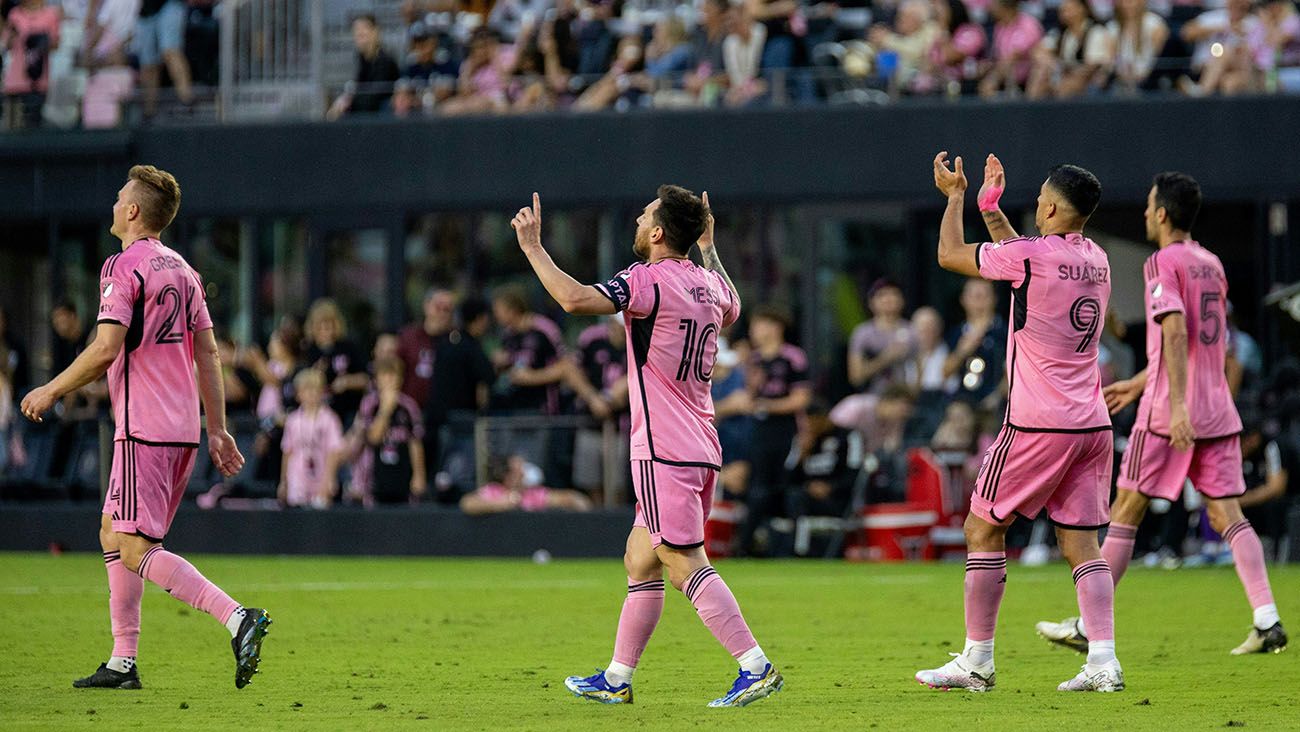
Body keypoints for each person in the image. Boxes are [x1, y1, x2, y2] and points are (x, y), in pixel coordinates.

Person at [510, 186, 782, 706]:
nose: (637, 218)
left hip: (664, 449)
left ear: (657, 234)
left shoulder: (645, 280)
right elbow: (734, 306)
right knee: (641, 559)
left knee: (681, 562)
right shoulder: (709, 284)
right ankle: (617, 678)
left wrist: (534, 249)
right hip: (701, 443)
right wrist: (709, 247)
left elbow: (573, 299)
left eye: (645, 215)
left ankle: (755, 665)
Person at [19, 165, 270, 691]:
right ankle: (122, 662)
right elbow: (209, 354)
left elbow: (106, 348)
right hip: (181, 430)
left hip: (142, 430)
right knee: (112, 529)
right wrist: (217, 428)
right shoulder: (183, 270)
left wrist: (50, 389)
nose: (113, 205)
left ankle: (236, 617)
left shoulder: (123, 265)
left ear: (133, 211)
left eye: (118, 199)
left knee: (134, 547)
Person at [1036, 171, 1288, 657]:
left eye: (1151, 206)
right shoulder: (1210, 263)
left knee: (1126, 510)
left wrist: (1173, 407)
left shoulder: (1161, 263)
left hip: (1173, 413)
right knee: (1227, 513)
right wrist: (1140, 381)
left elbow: (1173, 332)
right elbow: (1200, 343)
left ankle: (1090, 626)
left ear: (1163, 214)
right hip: (1216, 406)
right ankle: (1267, 619)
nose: (1146, 213)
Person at [917, 152, 1122, 692]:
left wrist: (957, 198)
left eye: (1038, 201)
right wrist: (992, 209)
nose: (1034, 207)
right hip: (1091, 424)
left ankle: (976, 661)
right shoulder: (1096, 258)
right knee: (1082, 543)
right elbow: (1024, 259)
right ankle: (1103, 660)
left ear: (1051, 207)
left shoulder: (1032, 257)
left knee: (982, 527)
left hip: (1038, 422)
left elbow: (949, 254)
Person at [737, 304, 812, 556]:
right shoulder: (753, 360)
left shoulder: (792, 357)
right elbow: (748, 399)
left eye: (759, 325)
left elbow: (800, 399)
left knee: (787, 486)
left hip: (786, 430)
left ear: (775, 327)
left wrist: (766, 404)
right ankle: (748, 546)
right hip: (760, 430)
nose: (754, 331)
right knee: (758, 486)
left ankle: (793, 548)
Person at [352, 358, 426, 505]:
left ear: (400, 379)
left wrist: (419, 475)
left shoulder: (409, 406)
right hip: (373, 475)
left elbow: (415, 442)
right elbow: (373, 438)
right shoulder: (369, 404)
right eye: (384, 376)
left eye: (393, 376)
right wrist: (386, 409)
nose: (389, 380)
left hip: (402, 472)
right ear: (377, 380)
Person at [279, 369, 344, 509]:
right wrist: (283, 481)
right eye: (306, 389)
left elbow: (334, 452)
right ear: (298, 393)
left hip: (321, 475)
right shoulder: (293, 420)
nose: (311, 393)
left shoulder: (329, 419)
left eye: (315, 389)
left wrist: (329, 480)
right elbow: (287, 451)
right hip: (297, 476)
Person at [327, 14, 402, 119]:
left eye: (363, 30)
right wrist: (344, 100)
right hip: (366, 111)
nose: (359, 33)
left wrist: (350, 101)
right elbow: (357, 86)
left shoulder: (385, 61)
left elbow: (374, 97)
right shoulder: (361, 59)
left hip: (383, 115)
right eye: (356, 31)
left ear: (375, 32)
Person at [847, 278, 914, 395]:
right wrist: (886, 358)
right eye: (882, 295)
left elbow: (921, 370)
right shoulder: (863, 333)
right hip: (872, 398)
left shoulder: (912, 331)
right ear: (871, 303)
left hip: (905, 400)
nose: (888, 299)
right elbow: (855, 376)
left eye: (894, 294)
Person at [2, 0, 61, 129]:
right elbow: (7, 44)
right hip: (16, 80)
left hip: (37, 79)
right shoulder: (15, 14)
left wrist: (41, 41)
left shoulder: (50, 14)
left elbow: (56, 44)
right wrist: (13, 35)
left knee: (33, 127)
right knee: (13, 127)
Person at [135, 0, 192, 118]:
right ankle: (149, 111)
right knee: (148, 63)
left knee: (170, 51)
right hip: (146, 11)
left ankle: (186, 100)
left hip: (171, 3)